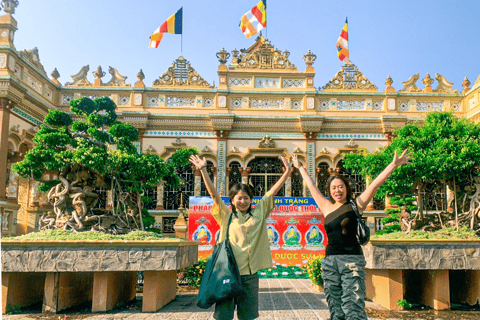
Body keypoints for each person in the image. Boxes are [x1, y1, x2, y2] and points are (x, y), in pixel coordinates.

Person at [292, 149, 411, 320]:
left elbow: (374, 185)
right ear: (329, 190)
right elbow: (311, 185)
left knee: (353, 305)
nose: (337, 190)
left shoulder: (356, 205)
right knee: (335, 305)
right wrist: (300, 167)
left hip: (352, 261)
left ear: (346, 188)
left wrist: (393, 164)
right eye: (334, 188)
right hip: (330, 262)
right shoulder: (325, 207)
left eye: (340, 187)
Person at [189, 154, 292, 320]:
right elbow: (214, 195)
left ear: (251, 200)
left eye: (246, 198)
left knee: (248, 315)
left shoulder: (259, 213)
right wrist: (203, 171)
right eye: (239, 198)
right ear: (232, 200)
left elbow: (271, 192)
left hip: (250, 275)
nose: (243, 201)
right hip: (228, 272)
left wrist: (287, 172)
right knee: (224, 315)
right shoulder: (226, 215)